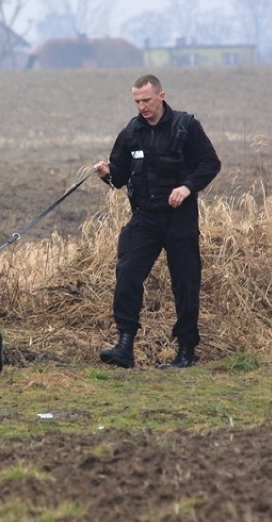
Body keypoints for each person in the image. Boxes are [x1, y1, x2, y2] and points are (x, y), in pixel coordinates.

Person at [93, 74, 221, 369]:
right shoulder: (130, 133)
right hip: (146, 218)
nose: (142, 106)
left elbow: (210, 163)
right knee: (127, 274)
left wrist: (187, 187)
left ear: (161, 96)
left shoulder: (186, 127)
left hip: (180, 218)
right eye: (137, 101)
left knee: (185, 284)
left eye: (147, 100)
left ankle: (186, 351)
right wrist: (106, 174)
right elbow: (121, 178)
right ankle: (124, 346)